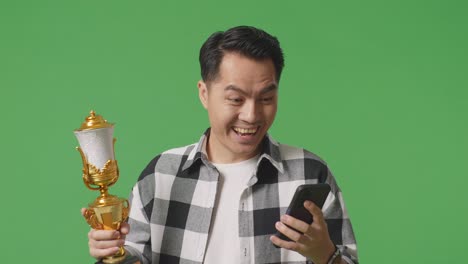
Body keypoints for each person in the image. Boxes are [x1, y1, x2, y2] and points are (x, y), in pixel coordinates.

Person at [84, 25, 358, 264]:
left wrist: (326, 256)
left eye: (265, 98)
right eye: (236, 99)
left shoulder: (310, 173)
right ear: (204, 94)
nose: (251, 115)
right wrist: (112, 253)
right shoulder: (161, 174)